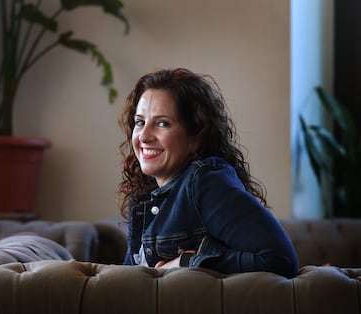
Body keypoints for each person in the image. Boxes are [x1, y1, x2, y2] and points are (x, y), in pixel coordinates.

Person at [117, 68, 299, 278]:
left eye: (162, 123)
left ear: (196, 136)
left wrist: (188, 262)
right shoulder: (143, 199)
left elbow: (280, 260)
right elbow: (130, 280)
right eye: (140, 122)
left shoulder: (205, 183)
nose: (144, 136)